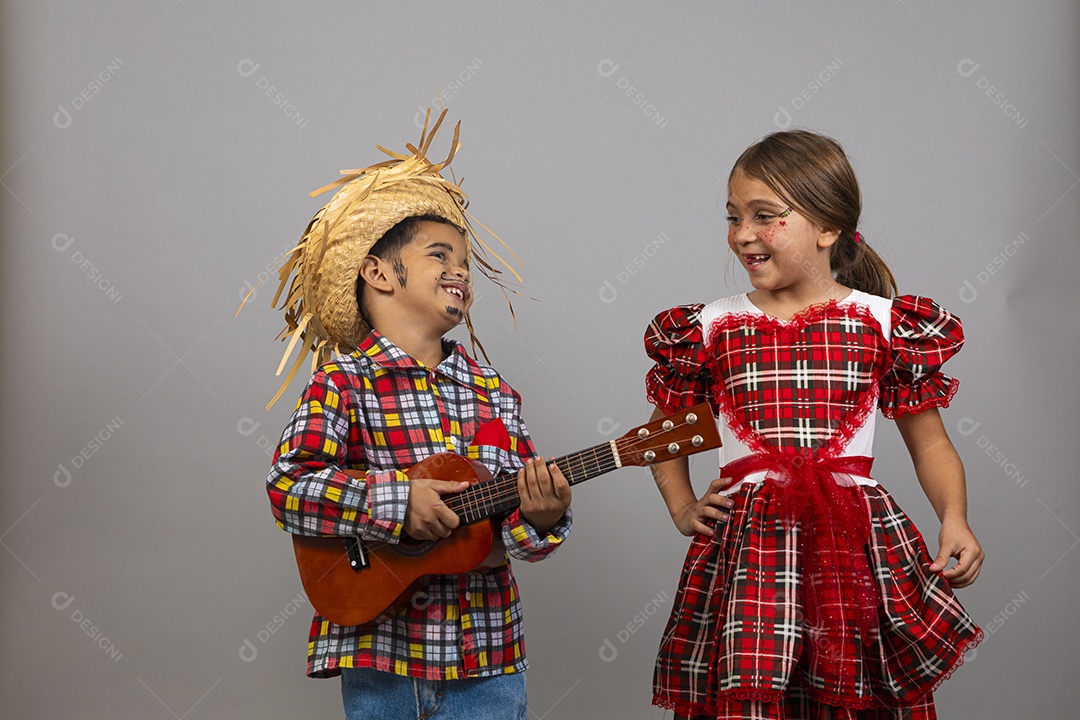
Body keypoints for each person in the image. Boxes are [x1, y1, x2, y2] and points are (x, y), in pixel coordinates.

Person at [643, 129, 984, 719]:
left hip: (854, 546)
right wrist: (681, 506)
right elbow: (661, 436)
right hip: (749, 550)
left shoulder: (883, 323)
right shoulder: (709, 327)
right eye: (732, 217)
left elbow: (931, 445)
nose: (743, 234)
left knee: (852, 693)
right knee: (750, 692)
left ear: (827, 228)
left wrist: (954, 518)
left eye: (765, 216)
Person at [264, 110, 572, 719]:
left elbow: (514, 537)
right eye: (439, 255)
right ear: (379, 272)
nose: (459, 270)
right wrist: (395, 502)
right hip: (383, 654)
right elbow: (288, 488)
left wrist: (543, 517)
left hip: (488, 657)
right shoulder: (343, 383)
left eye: (464, 261)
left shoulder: (495, 394)